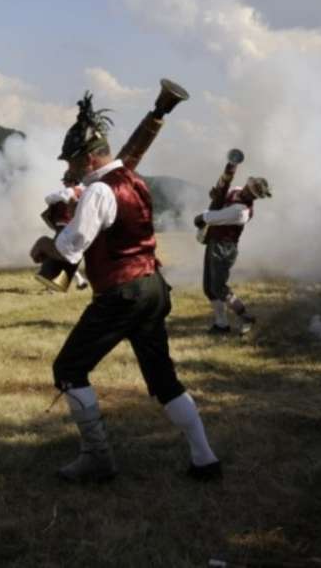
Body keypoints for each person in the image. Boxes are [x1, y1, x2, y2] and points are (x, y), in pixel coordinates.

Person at [30, 92, 221, 484]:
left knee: (68, 368)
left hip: (122, 293)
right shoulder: (134, 180)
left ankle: (97, 459)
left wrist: (43, 245)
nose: (69, 169)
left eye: (71, 161)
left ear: (86, 158)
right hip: (152, 286)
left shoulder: (99, 190)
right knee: (163, 379)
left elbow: (69, 250)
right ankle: (205, 458)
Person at [194, 176, 272, 335]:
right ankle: (221, 324)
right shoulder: (236, 190)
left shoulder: (242, 212)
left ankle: (244, 316)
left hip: (225, 248)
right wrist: (215, 196)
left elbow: (215, 217)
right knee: (209, 288)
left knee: (218, 287)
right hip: (215, 242)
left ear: (254, 196)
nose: (245, 191)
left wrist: (201, 217)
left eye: (250, 191)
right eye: (247, 187)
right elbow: (221, 201)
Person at [44, 172, 89, 290]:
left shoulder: (69, 191)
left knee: (55, 254)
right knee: (66, 256)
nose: (64, 183)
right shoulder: (84, 191)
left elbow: (48, 199)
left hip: (64, 226)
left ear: (73, 182)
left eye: (66, 181)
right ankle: (79, 280)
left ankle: (52, 285)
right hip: (75, 226)